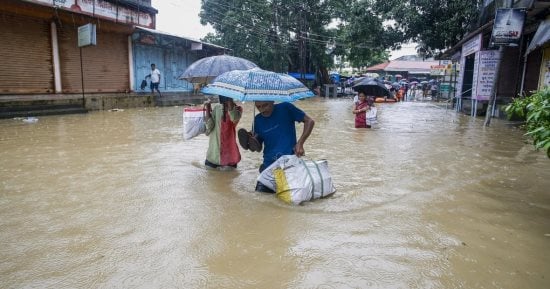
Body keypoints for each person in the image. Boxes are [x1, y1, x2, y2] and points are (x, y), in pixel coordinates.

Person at [239, 101, 315, 193]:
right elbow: (258, 148)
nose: (262, 110)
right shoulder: (257, 120)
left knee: (290, 201)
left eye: (265, 105)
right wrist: (251, 140)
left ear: (272, 101)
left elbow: (309, 121)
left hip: (288, 165)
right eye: (258, 107)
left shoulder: (286, 108)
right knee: (260, 199)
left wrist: (300, 143)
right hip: (268, 167)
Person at [204, 96, 243, 169]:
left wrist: (230, 103)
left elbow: (234, 118)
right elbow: (209, 127)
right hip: (213, 155)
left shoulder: (238, 109)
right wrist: (208, 108)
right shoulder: (217, 108)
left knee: (228, 178)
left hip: (230, 156)